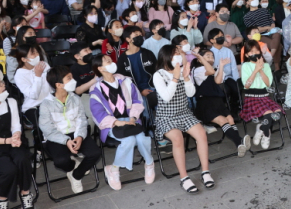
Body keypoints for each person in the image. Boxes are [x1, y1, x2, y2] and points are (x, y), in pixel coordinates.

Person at [152, 44, 214, 193]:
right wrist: (175, 77)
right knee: (178, 139)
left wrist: (185, 77)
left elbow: (191, 93)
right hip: (166, 116)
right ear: (166, 57)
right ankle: (184, 178)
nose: (179, 56)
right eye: (175, 54)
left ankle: (205, 172)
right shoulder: (158, 75)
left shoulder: (182, 71)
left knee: (201, 135)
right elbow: (166, 97)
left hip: (183, 113)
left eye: (179, 54)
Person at [89, 54, 155, 190]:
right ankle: (113, 170)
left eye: (110, 60)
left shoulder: (126, 81)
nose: (111, 62)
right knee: (129, 141)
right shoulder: (96, 89)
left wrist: (133, 117)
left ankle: (149, 164)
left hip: (131, 119)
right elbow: (98, 114)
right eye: (107, 61)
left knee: (142, 139)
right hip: (112, 124)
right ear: (100, 68)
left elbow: (137, 100)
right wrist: (117, 122)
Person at [39, 65, 101, 194]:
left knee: (95, 153)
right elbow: (47, 129)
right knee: (61, 161)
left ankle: (76, 175)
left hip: (76, 132)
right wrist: (66, 141)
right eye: (69, 78)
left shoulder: (75, 98)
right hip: (56, 136)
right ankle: (73, 165)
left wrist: (79, 137)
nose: (73, 81)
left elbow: (82, 120)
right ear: (59, 85)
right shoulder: (46, 104)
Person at [191, 49, 251, 157]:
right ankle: (240, 142)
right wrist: (201, 59)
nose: (211, 58)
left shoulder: (216, 68)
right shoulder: (198, 70)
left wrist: (221, 66)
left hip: (218, 101)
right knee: (223, 120)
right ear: (200, 59)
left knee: (230, 119)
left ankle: (239, 144)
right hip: (205, 104)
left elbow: (218, 81)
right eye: (207, 56)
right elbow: (210, 72)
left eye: (212, 56)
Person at [0, 74, 34, 209]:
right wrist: (7, 140)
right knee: (8, 170)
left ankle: (25, 193)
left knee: (23, 159)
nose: (4, 86)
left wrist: (16, 136)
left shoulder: (11, 102)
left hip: (14, 141)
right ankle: (1, 198)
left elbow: (16, 125)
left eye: (2, 83)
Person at [240, 40, 283, 150]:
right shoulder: (245, 66)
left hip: (264, 96)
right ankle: (266, 135)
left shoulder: (266, 66)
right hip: (251, 97)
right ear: (246, 55)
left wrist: (261, 70)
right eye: (251, 52)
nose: (254, 53)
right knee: (268, 115)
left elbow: (268, 84)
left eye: (256, 50)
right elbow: (246, 85)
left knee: (278, 113)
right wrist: (255, 71)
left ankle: (261, 128)